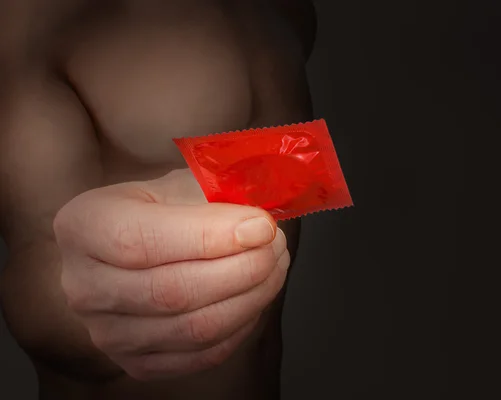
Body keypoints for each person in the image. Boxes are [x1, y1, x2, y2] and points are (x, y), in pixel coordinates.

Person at [0, 1, 317, 398]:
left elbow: (291, 175)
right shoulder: (33, 19)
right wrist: (100, 297)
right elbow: (34, 274)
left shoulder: (286, 12)